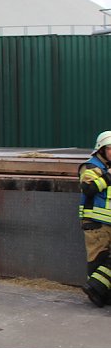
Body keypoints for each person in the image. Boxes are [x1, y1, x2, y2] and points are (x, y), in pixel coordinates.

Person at [79, 131, 111, 307]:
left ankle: (99, 291)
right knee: (97, 260)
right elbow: (88, 189)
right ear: (101, 149)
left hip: (108, 222)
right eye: (110, 148)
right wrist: (108, 176)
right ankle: (95, 293)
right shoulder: (91, 167)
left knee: (106, 261)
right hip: (95, 223)